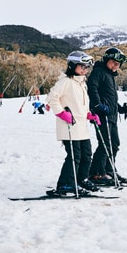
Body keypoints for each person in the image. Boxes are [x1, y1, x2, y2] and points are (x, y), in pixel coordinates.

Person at [45, 51, 101, 196]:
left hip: (81, 126)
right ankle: (65, 184)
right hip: (69, 126)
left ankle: (81, 178)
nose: (84, 70)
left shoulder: (82, 83)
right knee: (74, 156)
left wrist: (89, 114)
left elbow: (81, 103)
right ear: (72, 65)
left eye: (87, 67)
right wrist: (61, 113)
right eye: (82, 66)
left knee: (86, 154)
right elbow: (52, 98)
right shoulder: (65, 81)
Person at [87, 47, 127, 186]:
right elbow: (92, 89)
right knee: (105, 143)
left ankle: (109, 170)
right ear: (106, 60)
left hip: (111, 115)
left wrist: (120, 108)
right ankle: (96, 173)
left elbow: (109, 98)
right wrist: (97, 105)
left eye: (118, 63)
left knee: (115, 144)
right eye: (113, 62)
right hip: (101, 115)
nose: (116, 65)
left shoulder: (110, 75)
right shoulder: (98, 72)